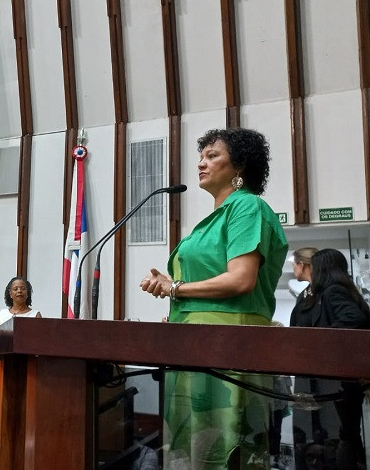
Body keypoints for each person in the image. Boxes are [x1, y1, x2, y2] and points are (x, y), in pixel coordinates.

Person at [139, 128, 289, 468]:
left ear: (238, 166)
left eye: (212, 156)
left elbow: (241, 280)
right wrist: (178, 302)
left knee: (224, 442)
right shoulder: (211, 221)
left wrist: (175, 289)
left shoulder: (248, 207)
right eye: (201, 156)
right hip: (194, 344)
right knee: (191, 446)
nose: (201, 164)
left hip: (228, 347)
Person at [291, 248, 369, 469]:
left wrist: (319, 342)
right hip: (340, 383)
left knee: (337, 439)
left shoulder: (332, 291)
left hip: (333, 383)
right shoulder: (339, 290)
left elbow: (354, 317)